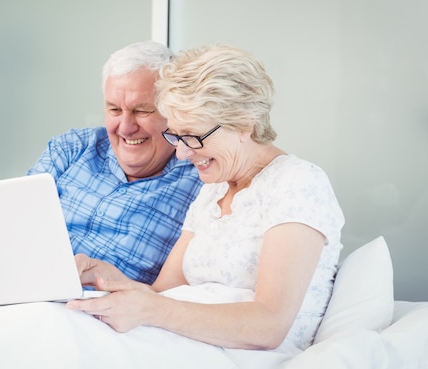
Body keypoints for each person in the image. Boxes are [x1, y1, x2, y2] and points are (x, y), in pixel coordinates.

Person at [67, 44, 345, 351]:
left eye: (193, 136)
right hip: (186, 343)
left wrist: (151, 310)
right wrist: (108, 277)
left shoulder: (297, 182)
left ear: (244, 124)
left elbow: (269, 325)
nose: (183, 154)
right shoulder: (213, 191)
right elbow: (161, 294)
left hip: (245, 354)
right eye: (176, 136)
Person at [27, 41, 202, 285]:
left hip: (109, 314)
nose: (126, 128)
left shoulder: (200, 180)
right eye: (114, 110)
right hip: (30, 289)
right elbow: (13, 226)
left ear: (173, 112)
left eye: (142, 111)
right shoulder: (71, 148)